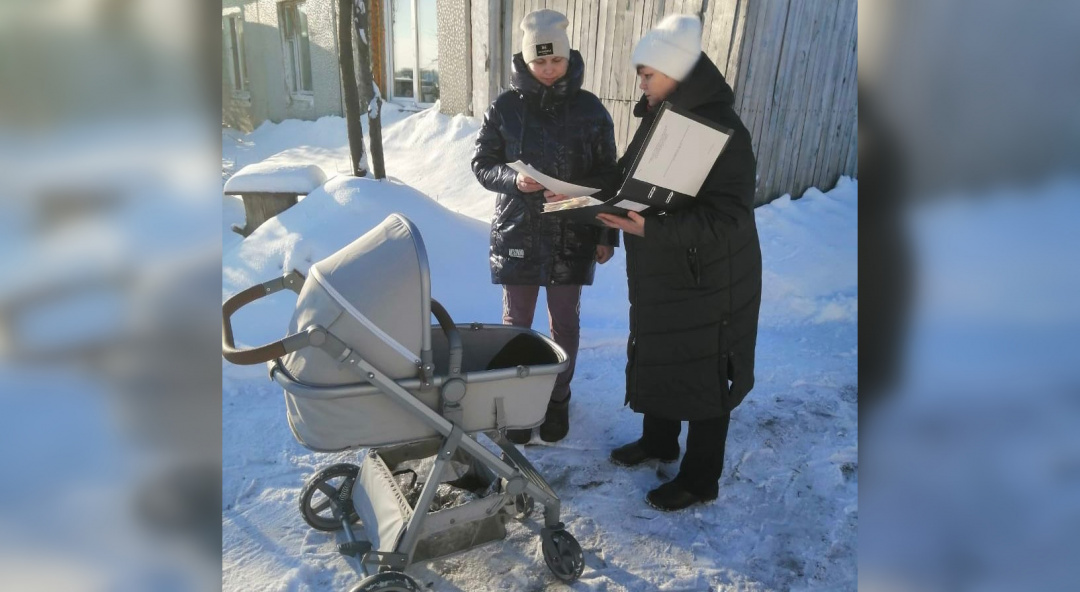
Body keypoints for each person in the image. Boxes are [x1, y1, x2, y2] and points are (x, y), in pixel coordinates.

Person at [595, 14, 762, 511]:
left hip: (711, 276)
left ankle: (700, 479)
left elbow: (731, 217)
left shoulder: (724, 131)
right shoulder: (660, 117)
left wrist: (655, 229)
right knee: (662, 352)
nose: (639, 85)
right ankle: (659, 441)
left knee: (705, 371)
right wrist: (595, 212)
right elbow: (628, 183)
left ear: (677, 73)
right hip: (664, 270)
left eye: (648, 75)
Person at [472, 9, 619, 444]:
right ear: (526, 61)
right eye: (540, 62)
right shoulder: (504, 107)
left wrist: (607, 233)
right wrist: (515, 180)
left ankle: (557, 399)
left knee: (565, 325)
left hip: (572, 233)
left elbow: (609, 175)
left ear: (568, 56)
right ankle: (517, 405)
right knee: (517, 322)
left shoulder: (591, 110)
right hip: (518, 231)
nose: (549, 70)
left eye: (555, 60)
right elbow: (482, 164)